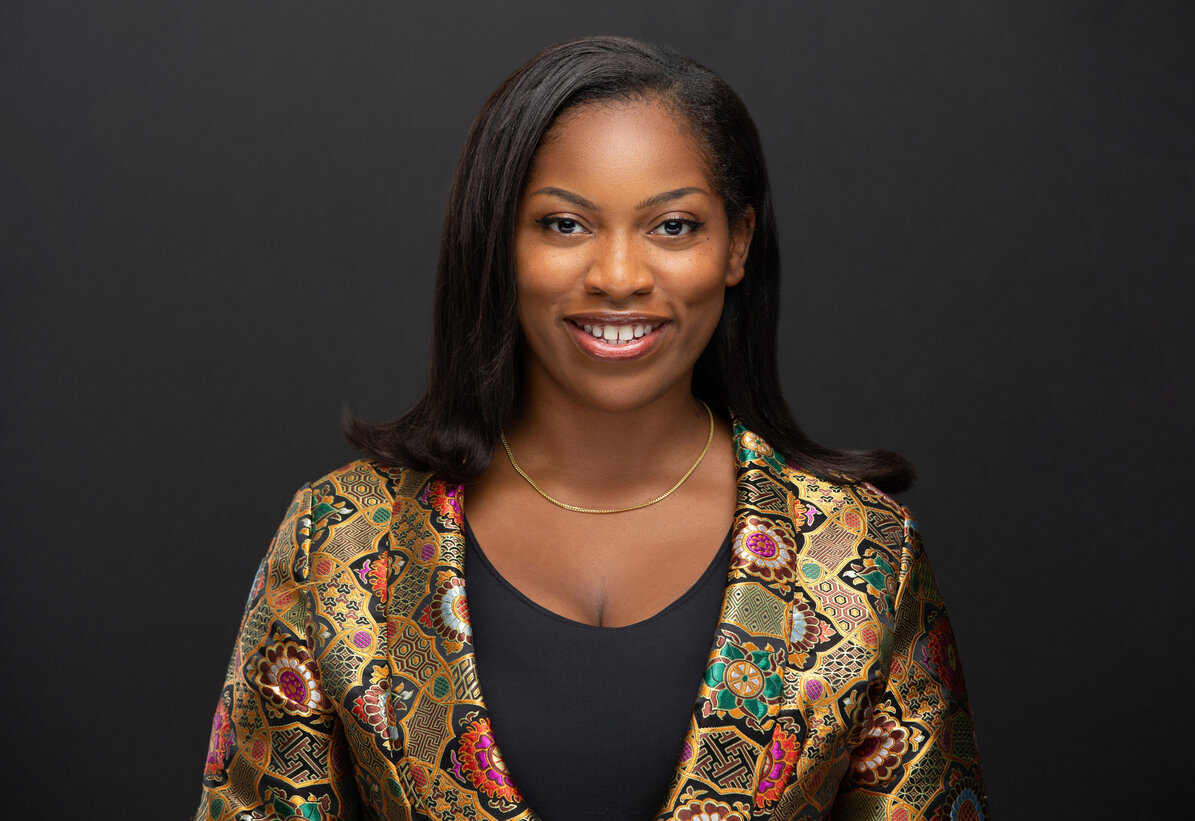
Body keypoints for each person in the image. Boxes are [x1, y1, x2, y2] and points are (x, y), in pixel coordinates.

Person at [196, 36, 987, 821]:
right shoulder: (339, 541)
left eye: (673, 226)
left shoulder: (860, 555)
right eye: (565, 225)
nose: (617, 275)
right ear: (499, 241)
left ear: (737, 244)